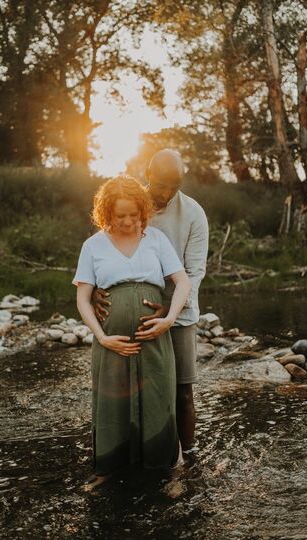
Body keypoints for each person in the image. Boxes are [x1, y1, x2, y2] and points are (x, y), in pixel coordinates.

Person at [72, 175, 191, 479]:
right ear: (107, 213)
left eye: (134, 215)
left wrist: (168, 320)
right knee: (111, 406)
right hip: (112, 339)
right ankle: (108, 472)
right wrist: (101, 337)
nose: (128, 222)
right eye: (120, 215)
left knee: (159, 400)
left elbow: (182, 281)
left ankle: (171, 470)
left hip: (154, 336)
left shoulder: (155, 239)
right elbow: (83, 298)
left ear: (142, 211)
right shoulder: (93, 245)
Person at [94, 149, 209, 454]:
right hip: (139, 314)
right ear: (148, 175)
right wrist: (94, 288)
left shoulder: (194, 214)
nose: (166, 193)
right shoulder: (131, 205)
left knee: (182, 392)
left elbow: (194, 273)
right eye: (160, 185)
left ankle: (189, 459)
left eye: (174, 186)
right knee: (138, 390)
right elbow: (105, 247)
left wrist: (170, 310)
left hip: (179, 315)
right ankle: (141, 454)